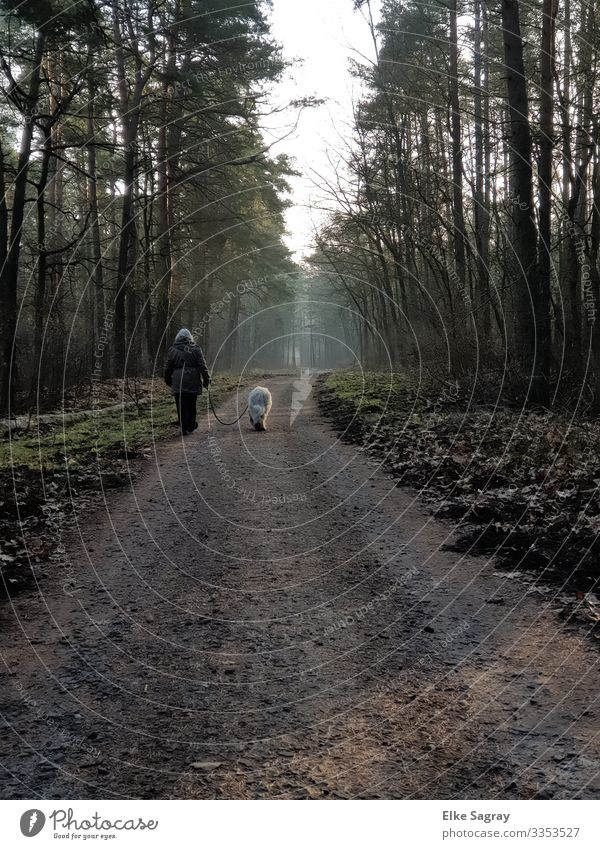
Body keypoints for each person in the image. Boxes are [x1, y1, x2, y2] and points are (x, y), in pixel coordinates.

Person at [164, 328, 211, 435]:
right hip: (192, 381)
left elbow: (168, 368)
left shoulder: (172, 350)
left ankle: (184, 426)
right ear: (190, 337)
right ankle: (190, 424)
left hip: (177, 382)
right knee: (191, 404)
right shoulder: (196, 349)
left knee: (180, 405)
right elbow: (202, 366)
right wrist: (207, 380)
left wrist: (168, 380)